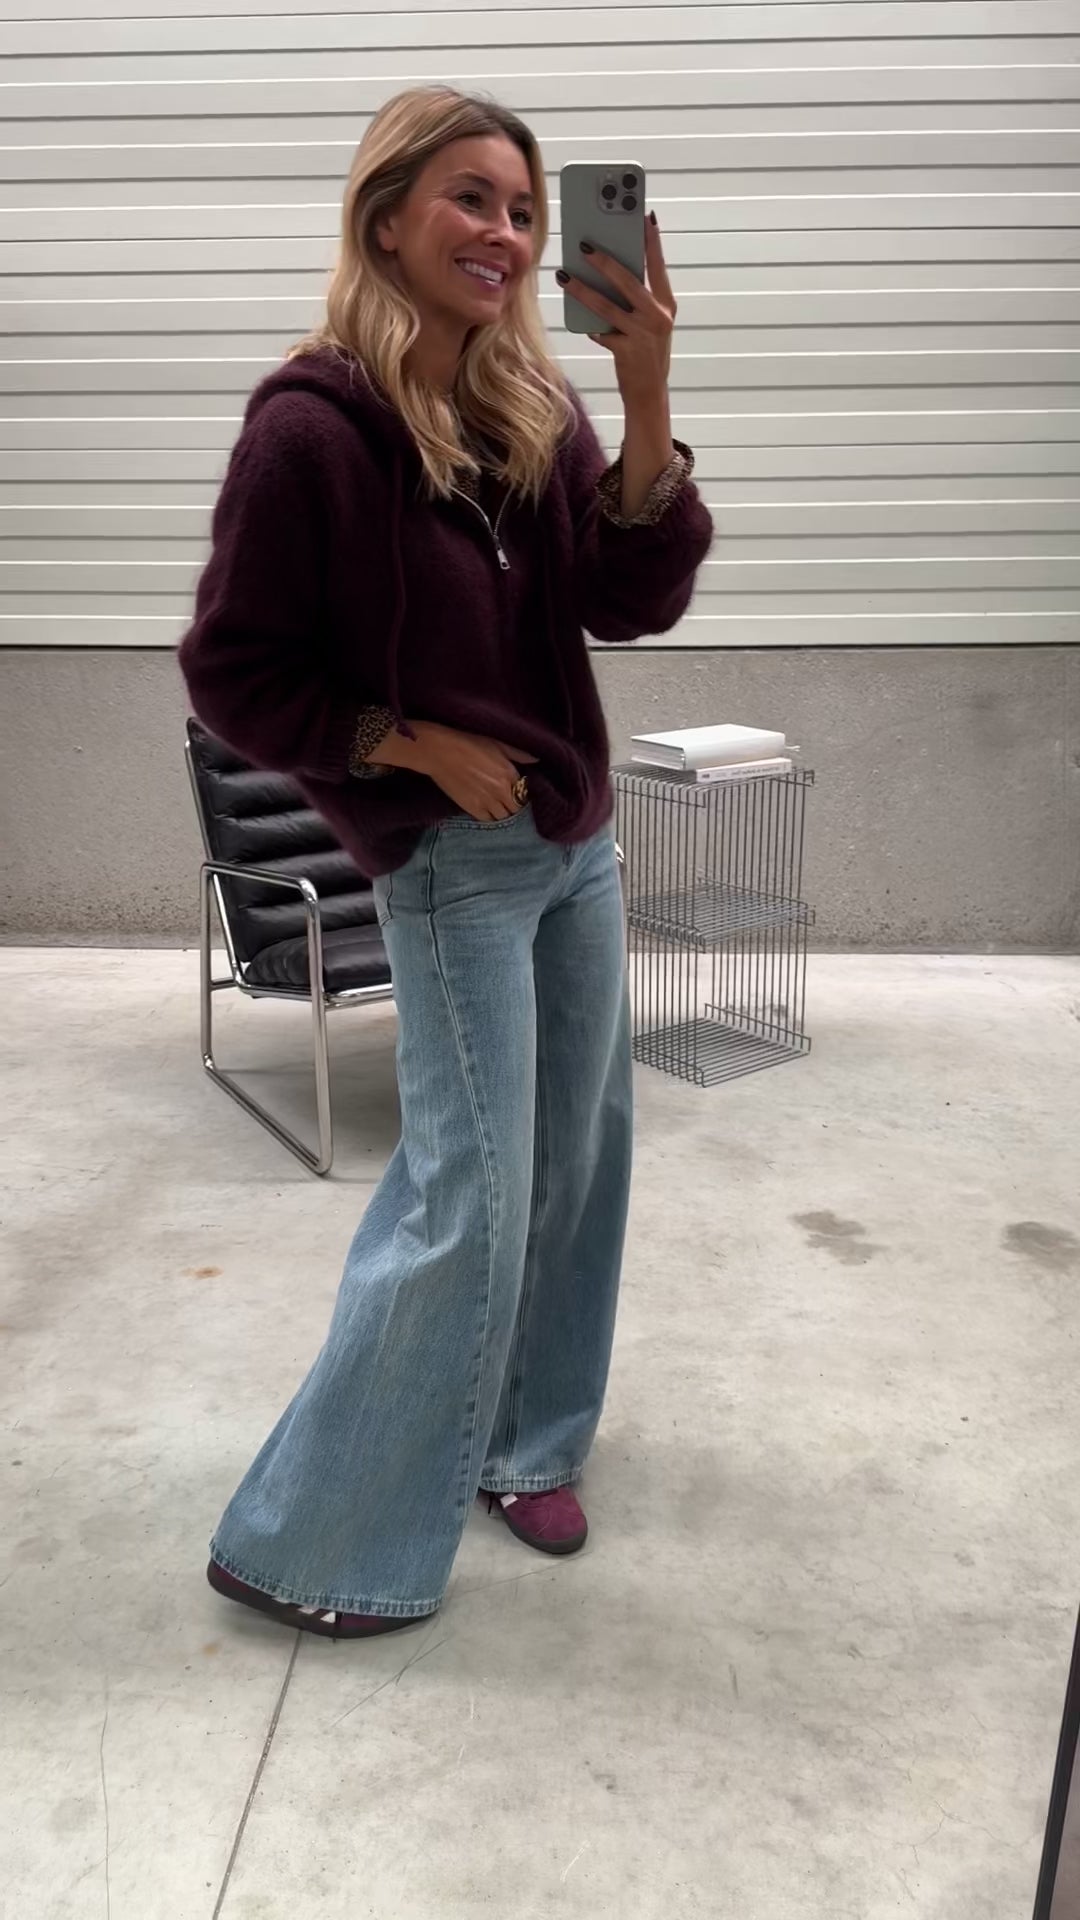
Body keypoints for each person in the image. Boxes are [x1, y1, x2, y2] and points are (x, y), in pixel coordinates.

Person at [180, 87, 713, 1640]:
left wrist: (647, 387)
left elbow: (626, 598)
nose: (508, 233)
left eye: (527, 210)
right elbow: (232, 669)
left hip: (574, 845)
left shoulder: (530, 401)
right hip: (453, 867)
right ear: (387, 218)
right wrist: (403, 744)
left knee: (579, 1163)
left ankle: (528, 1444)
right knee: (467, 1189)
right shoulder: (310, 431)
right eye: (472, 198)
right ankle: (313, 1540)